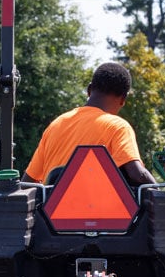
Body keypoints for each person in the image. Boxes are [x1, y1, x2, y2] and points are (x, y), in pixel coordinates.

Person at [22, 62, 156, 187]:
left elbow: (27, 182)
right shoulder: (118, 127)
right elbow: (137, 174)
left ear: (89, 89)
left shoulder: (55, 125)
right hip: (100, 211)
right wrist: (162, 196)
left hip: (51, 211)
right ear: (123, 99)